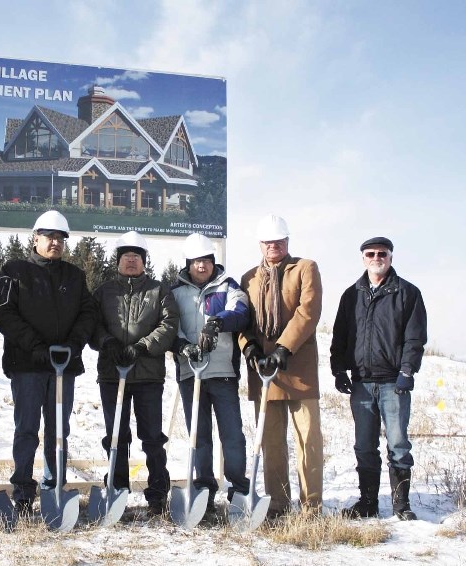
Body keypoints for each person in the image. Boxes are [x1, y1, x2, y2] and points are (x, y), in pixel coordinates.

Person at [0, 210, 95, 515]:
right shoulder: (15, 270)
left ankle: (54, 488)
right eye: (49, 237)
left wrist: (74, 344)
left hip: (63, 367)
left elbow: (88, 312)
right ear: (35, 238)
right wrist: (35, 346)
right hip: (27, 365)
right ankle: (23, 489)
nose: (55, 243)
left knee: (58, 430)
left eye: (60, 238)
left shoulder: (74, 276)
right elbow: (2, 312)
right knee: (26, 429)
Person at [331, 237, 427, 521]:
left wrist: (407, 371)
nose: (376, 257)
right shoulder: (351, 294)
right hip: (361, 382)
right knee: (364, 444)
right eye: (370, 253)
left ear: (391, 257)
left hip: (393, 383)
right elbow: (341, 335)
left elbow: (415, 337)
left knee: (398, 443)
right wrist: (339, 369)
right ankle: (368, 503)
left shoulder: (408, 293)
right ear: (363, 258)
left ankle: (401, 506)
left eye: (382, 253)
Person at [238, 214, 324, 518]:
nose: (273, 245)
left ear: (287, 241)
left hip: (298, 366)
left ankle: (311, 506)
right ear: (260, 244)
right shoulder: (248, 277)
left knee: (308, 440)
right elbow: (241, 318)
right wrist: (247, 347)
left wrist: (284, 347)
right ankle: (277, 503)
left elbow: (308, 311)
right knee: (272, 443)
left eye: (279, 240)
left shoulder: (304, 268)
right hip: (265, 371)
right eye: (268, 241)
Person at [90, 231, 178, 515]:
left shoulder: (159, 290)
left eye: (136, 257)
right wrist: (108, 342)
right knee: (116, 435)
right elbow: (91, 324)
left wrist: (142, 347)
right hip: (112, 374)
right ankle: (116, 490)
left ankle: (157, 493)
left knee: (152, 436)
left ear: (144, 261)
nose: (131, 261)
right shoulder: (104, 291)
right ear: (118, 261)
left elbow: (169, 325)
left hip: (148, 376)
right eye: (126, 256)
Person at [172, 233, 250, 524]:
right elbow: (170, 326)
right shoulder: (177, 292)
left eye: (205, 260)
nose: (201, 266)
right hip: (190, 373)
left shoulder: (228, 287)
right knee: (198, 436)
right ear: (188, 264)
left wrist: (218, 322)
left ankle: (239, 490)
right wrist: (182, 346)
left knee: (232, 435)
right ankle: (204, 489)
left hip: (222, 373)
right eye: (195, 261)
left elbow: (240, 313)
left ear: (212, 262)